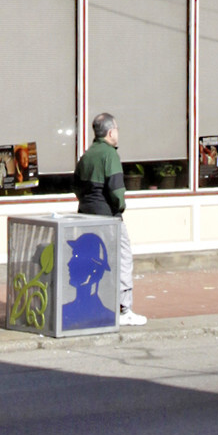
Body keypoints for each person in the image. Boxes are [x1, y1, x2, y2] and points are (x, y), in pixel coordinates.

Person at [75, 112, 146, 325]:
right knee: (122, 257)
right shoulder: (110, 155)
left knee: (92, 260)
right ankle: (124, 309)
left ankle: (90, 306)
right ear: (110, 132)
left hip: (86, 215)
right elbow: (117, 191)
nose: (118, 133)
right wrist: (120, 207)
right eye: (116, 129)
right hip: (108, 218)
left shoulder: (86, 156)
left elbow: (76, 186)